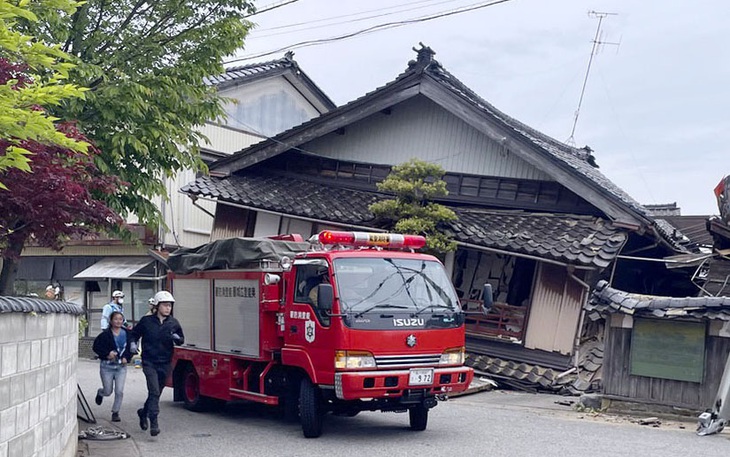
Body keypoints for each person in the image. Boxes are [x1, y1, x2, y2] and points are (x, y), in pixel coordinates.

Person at [131, 290, 184, 436]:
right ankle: (154, 422)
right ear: (157, 306)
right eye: (165, 305)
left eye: (170, 306)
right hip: (149, 362)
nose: (168, 308)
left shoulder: (173, 323)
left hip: (166, 362)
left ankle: (143, 412)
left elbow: (181, 339)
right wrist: (132, 344)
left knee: (156, 393)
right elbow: (134, 334)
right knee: (154, 391)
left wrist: (177, 338)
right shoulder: (146, 321)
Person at [92, 311, 133, 422]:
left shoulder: (127, 334)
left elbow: (132, 348)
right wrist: (106, 354)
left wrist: (127, 357)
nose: (118, 321)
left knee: (119, 391)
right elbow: (96, 347)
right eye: (116, 319)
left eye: (120, 319)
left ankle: (115, 412)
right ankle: (101, 393)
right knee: (108, 390)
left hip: (121, 367)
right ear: (111, 321)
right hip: (107, 367)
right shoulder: (105, 335)